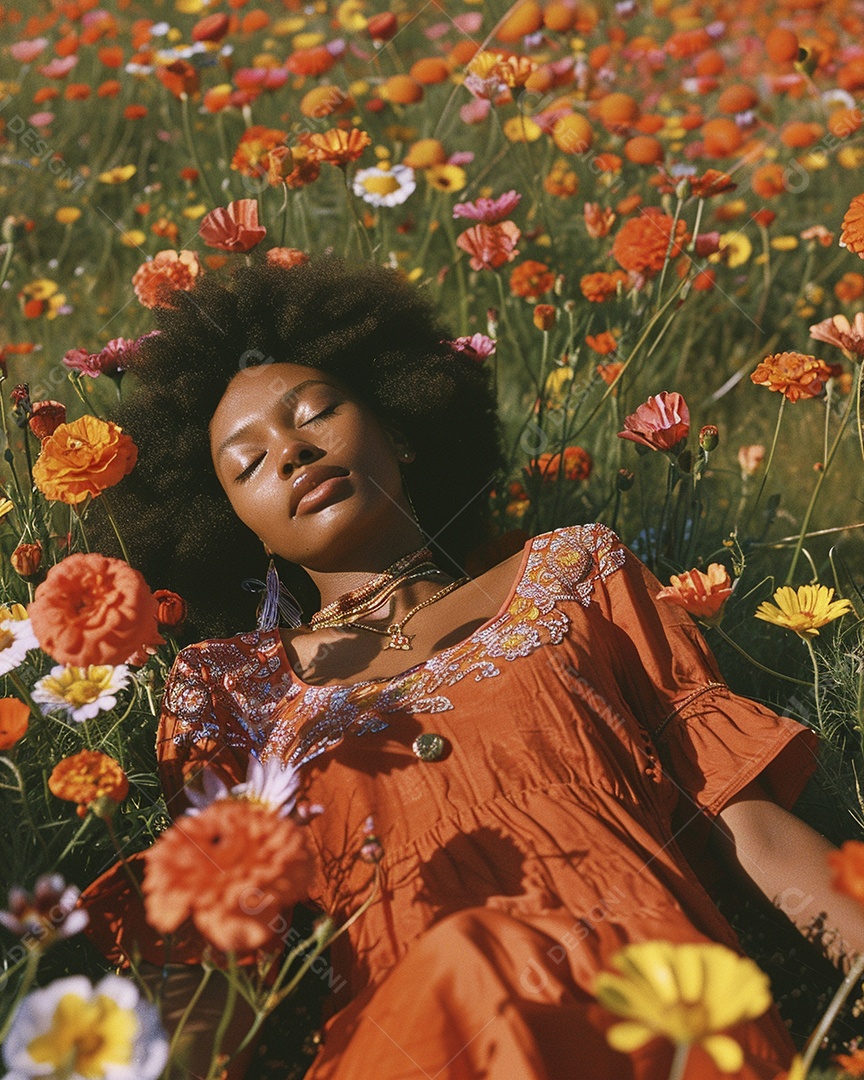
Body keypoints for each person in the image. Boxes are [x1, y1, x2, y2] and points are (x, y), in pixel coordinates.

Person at [82, 256, 864, 1079]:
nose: (292, 452)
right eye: (247, 464)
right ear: (240, 530)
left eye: (315, 413)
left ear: (401, 430)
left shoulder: (577, 575)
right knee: (469, 957)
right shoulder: (227, 690)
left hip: (656, 1007)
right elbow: (220, 959)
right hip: (417, 1033)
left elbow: (750, 825)